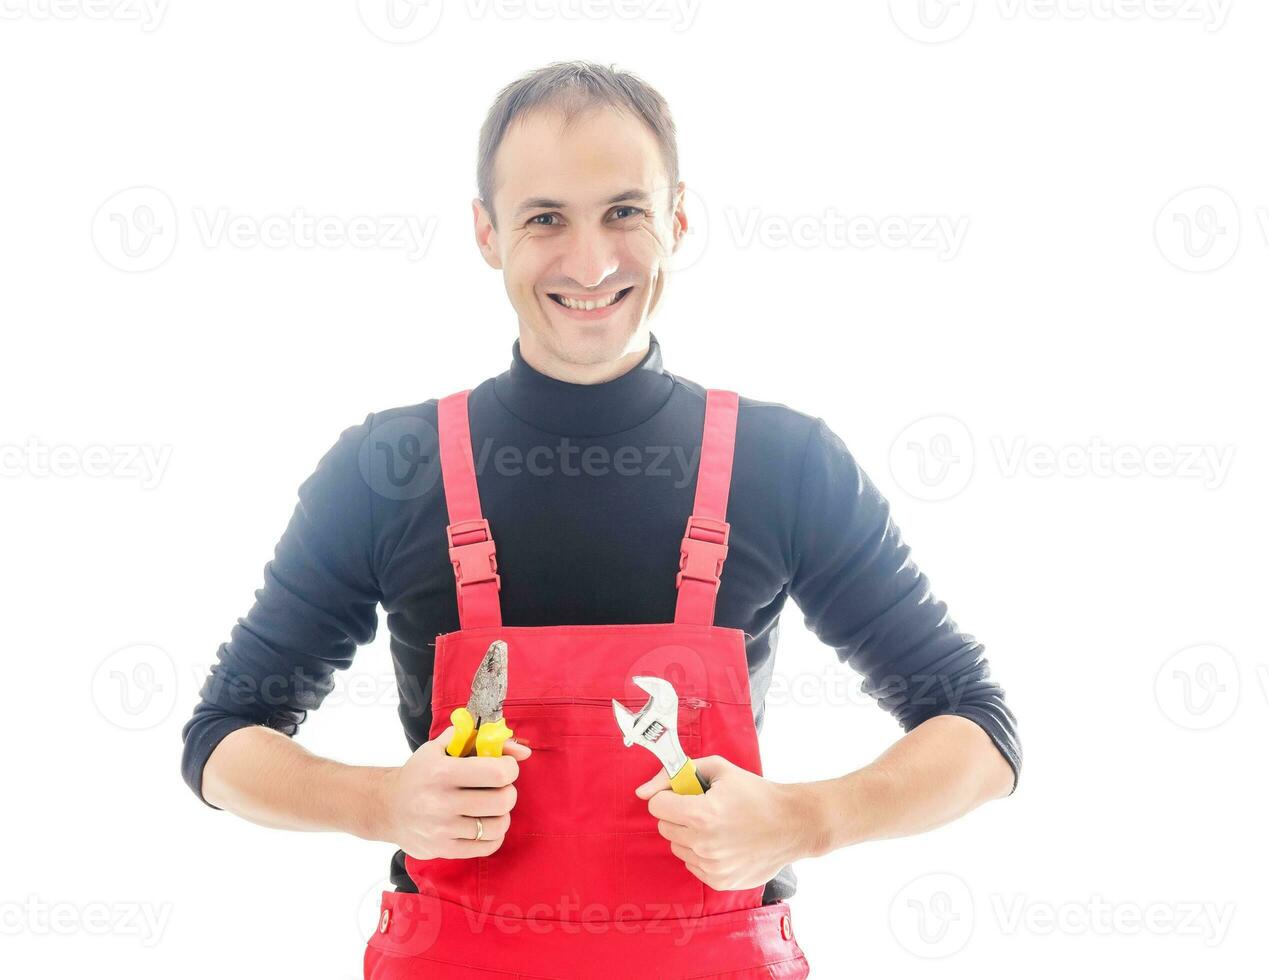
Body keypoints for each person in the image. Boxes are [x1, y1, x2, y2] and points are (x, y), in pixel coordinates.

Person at [182, 60, 1020, 979]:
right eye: (546, 218)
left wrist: (806, 819)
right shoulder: (387, 470)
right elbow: (223, 739)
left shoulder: (786, 465)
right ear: (486, 232)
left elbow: (978, 733)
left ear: (679, 219)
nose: (591, 262)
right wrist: (381, 803)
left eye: (624, 210)